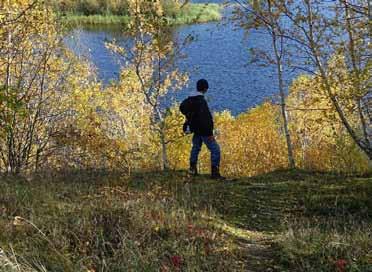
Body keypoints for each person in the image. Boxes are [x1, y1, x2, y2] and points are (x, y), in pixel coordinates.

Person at [180, 79, 225, 180]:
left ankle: (192, 169)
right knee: (215, 150)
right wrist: (209, 133)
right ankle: (215, 173)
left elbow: (182, 107)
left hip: (196, 130)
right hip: (204, 131)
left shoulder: (190, 99)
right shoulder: (201, 101)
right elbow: (206, 119)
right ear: (205, 89)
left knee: (196, 148)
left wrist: (189, 117)